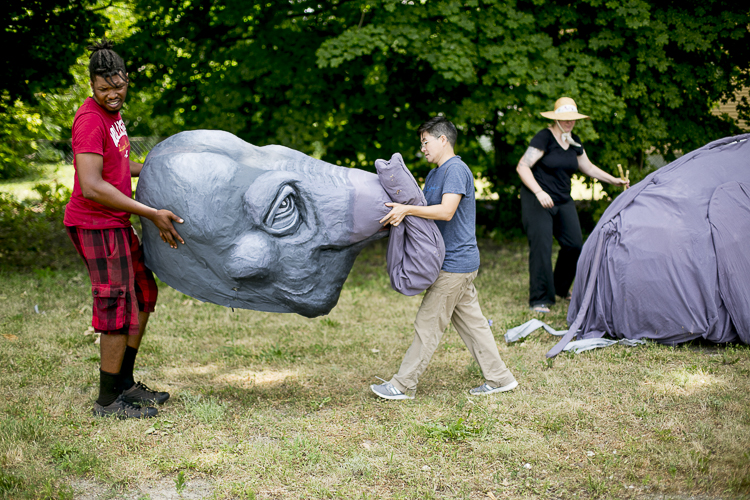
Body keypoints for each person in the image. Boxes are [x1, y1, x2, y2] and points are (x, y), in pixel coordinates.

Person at [63, 39, 185, 418]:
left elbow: (118, 166)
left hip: (116, 223)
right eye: (104, 89)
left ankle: (125, 384)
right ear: (92, 86)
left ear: (126, 80)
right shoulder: (89, 120)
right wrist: (150, 212)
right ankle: (107, 401)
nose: (113, 95)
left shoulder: (113, 116)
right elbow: (92, 184)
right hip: (95, 224)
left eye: (118, 87)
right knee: (116, 306)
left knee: (143, 294)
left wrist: (160, 167)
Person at [370, 117, 518, 400]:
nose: (422, 148)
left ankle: (403, 385)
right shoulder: (437, 173)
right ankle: (500, 378)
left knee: (427, 323)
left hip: (455, 265)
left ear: (442, 140)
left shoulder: (455, 170)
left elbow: (446, 211)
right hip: (453, 263)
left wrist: (407, 210)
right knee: (473, 324)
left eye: (425, 142)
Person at [517, 97, 629, 314]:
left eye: (573, 119)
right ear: (557, 119)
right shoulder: (544, 137)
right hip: (537, 198)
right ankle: (540, 299)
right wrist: (539, 192)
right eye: (565, 118)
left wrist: (613, 180)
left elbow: (588, 167)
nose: (569, 122)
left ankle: (560, 288)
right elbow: (522, 167)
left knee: (574, 244)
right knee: (542, 246)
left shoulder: (574, 141)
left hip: (562, 199)